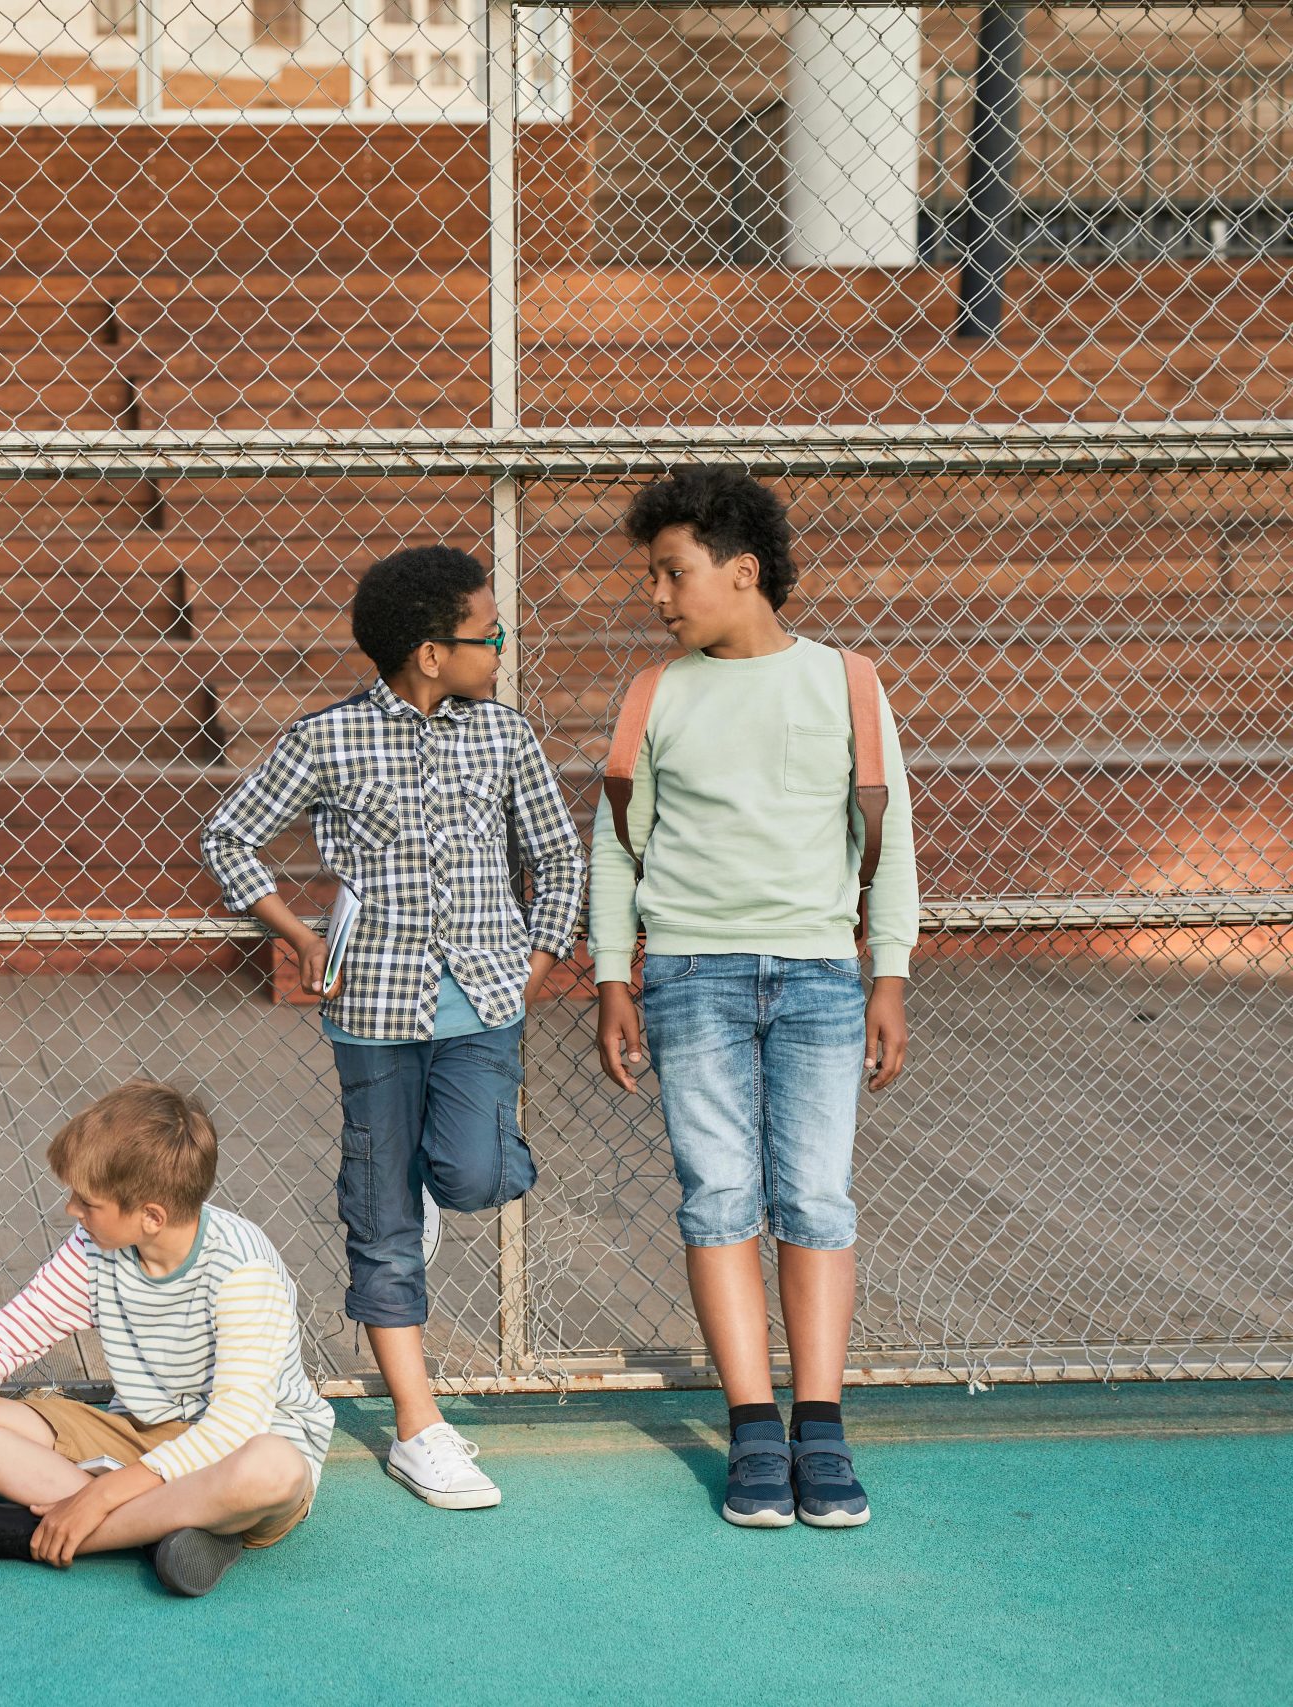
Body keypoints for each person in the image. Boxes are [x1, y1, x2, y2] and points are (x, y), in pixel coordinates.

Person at [201, 544, 584, 1510]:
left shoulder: (503, 735)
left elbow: (557, 852)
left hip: (486, 1002)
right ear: (428, 651)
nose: (500, 645)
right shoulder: (324, 739)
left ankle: (421, 1188)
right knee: (380, 1219)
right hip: (370, 1008)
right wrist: (293, 928)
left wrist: (540, 957)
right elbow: (228, 833)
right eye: (485, 633)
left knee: (475, 1173)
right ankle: (420, 1427)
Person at [589, 466, 917, 1529]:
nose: (659, 597)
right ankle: (751, 1430)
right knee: (718, 1199)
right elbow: (614, 850)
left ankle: (818, 1427)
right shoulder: (654, 695)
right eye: (651, 577)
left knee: (817, 1199)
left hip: (821, 976)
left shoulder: (849, 684)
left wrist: (888, 975)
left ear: (743, 572)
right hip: (690, 978)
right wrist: (610, 975)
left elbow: (891, 839)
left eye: (674, 574)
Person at [0, 1082, 334, 1598]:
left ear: (151, 1216)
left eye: (87, 1201)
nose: (71, 1210)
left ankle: (28, 1535)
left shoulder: (243, 1269)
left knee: (273, 1469)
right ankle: (163, 1533)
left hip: (237, 1450)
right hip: (137, 1432)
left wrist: (102, 1495)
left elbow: (232, 1428)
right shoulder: (93, 1247)